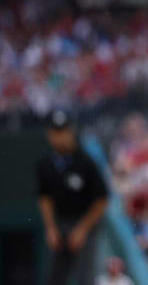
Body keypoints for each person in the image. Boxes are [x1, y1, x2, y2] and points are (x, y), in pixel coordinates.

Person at [36, 109, 109, 285]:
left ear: (71, 131)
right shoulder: (45, 163)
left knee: (85, 278)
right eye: (56, 132)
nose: (60, 137)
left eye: (63, 131)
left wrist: (83, 229)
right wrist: (50, 228)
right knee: (55, 277)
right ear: (49, 134)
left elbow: (102, 198)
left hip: (85, 224)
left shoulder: (85, 161)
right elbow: (44, 196)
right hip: (61, 223)